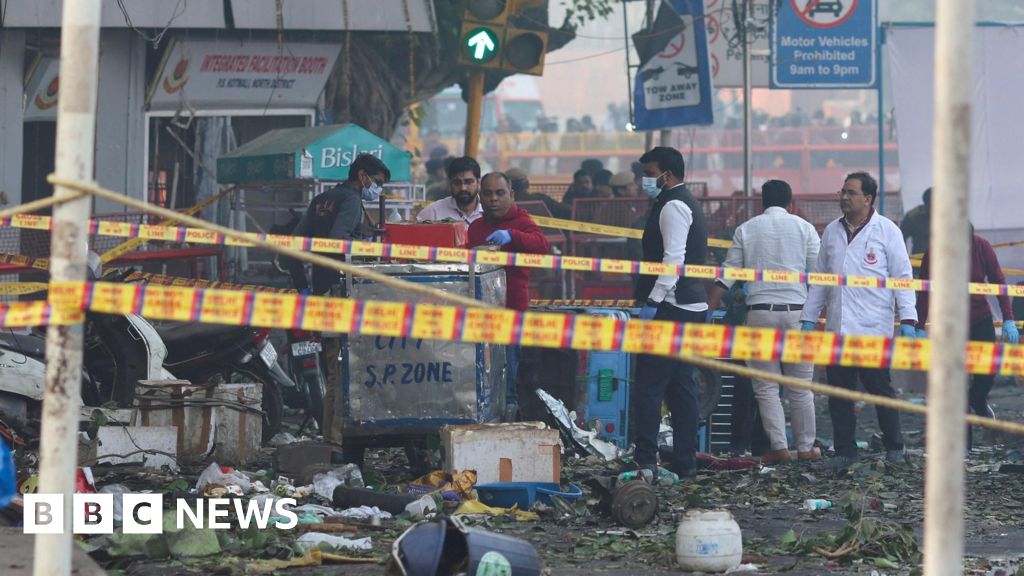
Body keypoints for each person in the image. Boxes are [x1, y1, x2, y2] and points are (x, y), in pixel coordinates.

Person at [800, 172, 918, 471]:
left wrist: (908, 318)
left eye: (851, 193)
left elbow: (902, 277)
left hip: (872, 329)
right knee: (839, 394)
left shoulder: (886, 231)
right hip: (838, 328)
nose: (843, 197)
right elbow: (821, 281)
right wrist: (809, 319)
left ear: (867, 198)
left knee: (880, 390)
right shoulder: (831, 232)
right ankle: (845, 453)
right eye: (842, 192)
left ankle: (895, 448)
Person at [706, 179, 822, 465]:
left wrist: (708, 308)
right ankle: (806, 448)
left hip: (759, 313)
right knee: (800, 386)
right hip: (798, 312)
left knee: (766, 387)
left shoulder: (747, 228)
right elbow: (819, 274)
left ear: (762, 202)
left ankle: (780, 447)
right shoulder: (804, 228)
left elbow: (728, 272)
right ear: (790, 202)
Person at [287, 153, 391, 444]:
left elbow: (293, 247)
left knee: (332, 367)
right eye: (377, 183)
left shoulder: (321, 199)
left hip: (321, 292)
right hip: (342, 292)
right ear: (362, 177)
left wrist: (303, 287)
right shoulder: (351, 201)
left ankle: (330, 437)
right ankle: (337, 440)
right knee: (343, 369)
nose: (377, 190)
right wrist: (367, 247)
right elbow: (338, 241)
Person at [633, 146, 709, 479]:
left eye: (650, 173)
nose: (646, 180)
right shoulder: (681, 201)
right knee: (681, 387)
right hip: (690, 307)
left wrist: (653, 300)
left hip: (672, 307)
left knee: (649, 385)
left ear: (668, 174)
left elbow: (673, 259)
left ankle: (646, 460)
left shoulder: (673, 205)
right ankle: (685, 461)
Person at [916, 226, 1019, 448]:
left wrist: (1008, 318)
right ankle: (964, 446)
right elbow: (923, 290)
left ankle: (978, 400)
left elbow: (998, 281)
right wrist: (917, 324)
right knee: (956, 384)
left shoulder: (982, 247)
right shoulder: (934, 252)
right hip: (950, 325)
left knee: (987, 374)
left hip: (980, 320)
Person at [468, 172, 549, 416]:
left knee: (509, 367)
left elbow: (541, 245)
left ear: (511, 195)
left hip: (512, 306)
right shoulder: (477, 227)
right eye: (488, 193)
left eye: (500, 193)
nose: (494, 199)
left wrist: (512, 236)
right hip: (480, 309)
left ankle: (510, 415)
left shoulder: (522, 221)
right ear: (480, 197)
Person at [416, 156, 483, 225]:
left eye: (468, 182)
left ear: (478, 182)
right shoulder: (434, 212)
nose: (463, 188)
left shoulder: (488, 211)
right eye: (457, 182)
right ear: (449, 183)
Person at [506, 166, 570, 219]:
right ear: (527, 184)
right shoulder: (542, 199)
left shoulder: (502, 204)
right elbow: (565, 210)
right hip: (545, 233)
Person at [901, 187, 931, 256]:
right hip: (920, 260)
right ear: (926, 204)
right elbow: (900, 238)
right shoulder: (913, 217)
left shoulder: (948, 216)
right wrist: (904, 257)